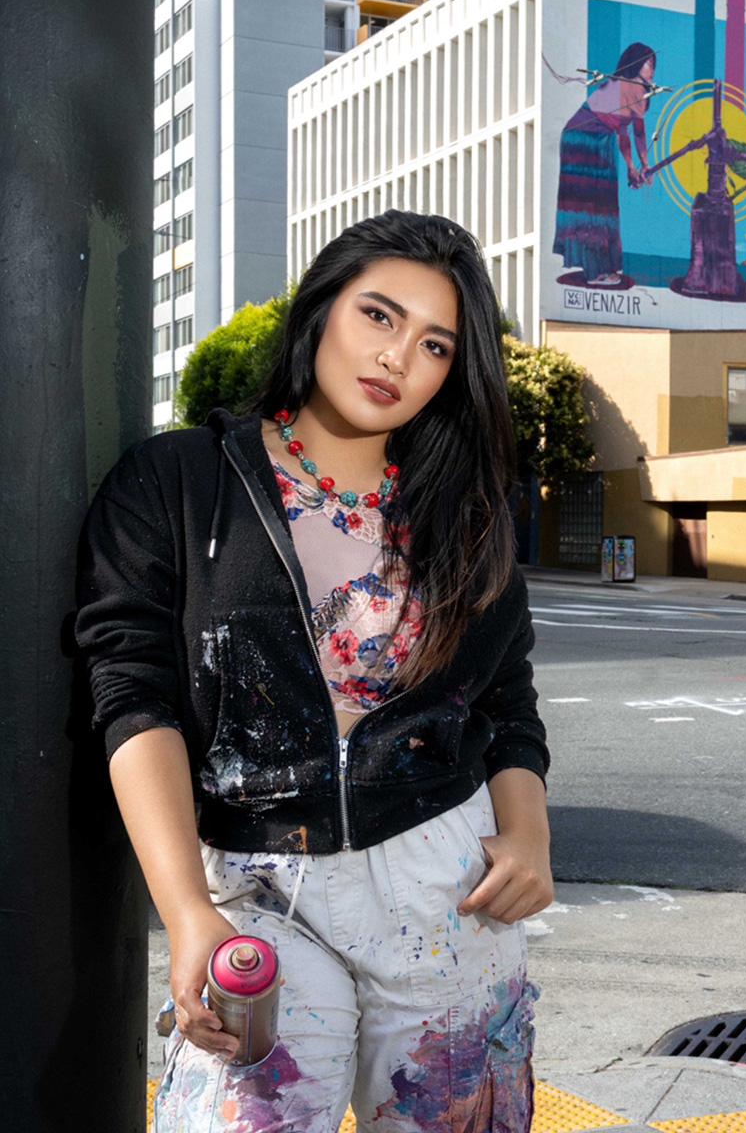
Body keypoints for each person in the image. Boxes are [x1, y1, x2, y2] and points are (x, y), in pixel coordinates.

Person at [75, 211, 553, 1132]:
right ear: (321, 309)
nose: (398, 357)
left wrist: (528, 837)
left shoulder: (465, 513)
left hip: (446, 889)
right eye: (378, 315)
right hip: (257, 892)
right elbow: (133, 698)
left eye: (436, 345)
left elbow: (505, 702)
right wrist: (185, 910)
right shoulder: (179, 482)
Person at [552, 42, 657, 286]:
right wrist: (634, 167)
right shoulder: (630, 87)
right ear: (634, 63)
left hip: (582, 137)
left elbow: (634, 132)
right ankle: (596, 272)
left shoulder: (629, 86)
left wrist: (641, 166)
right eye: (647, 62)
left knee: (593, 205)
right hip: (589, 139)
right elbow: (628, 134)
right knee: (596, 206)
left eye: (653, 63)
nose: (652, 68)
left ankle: (596, 268)